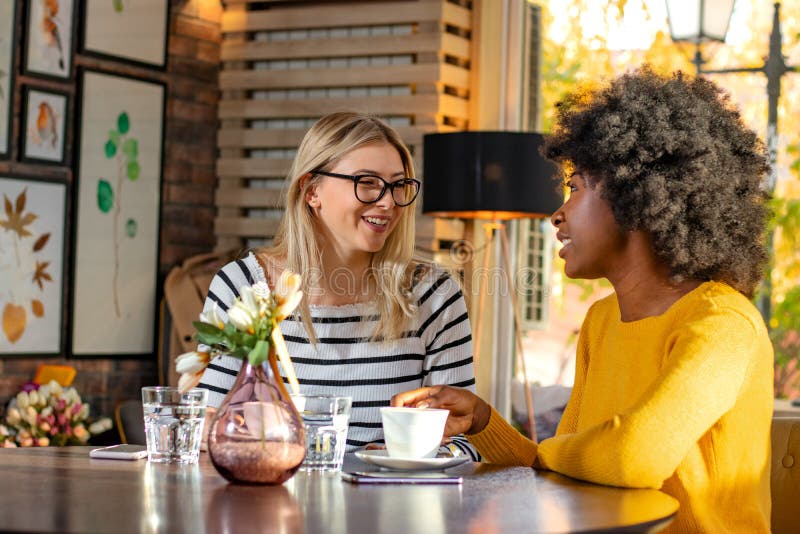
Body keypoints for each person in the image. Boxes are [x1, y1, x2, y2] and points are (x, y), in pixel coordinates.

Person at [392, 66, 773, 533]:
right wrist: (482, 420)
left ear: (636, 194)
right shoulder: (601, 320)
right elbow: (562, 467)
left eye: (574, 188)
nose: (557, 214)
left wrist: (550, 454)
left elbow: (633, 458)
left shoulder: (723, 324)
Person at [197, 111, 479, 458]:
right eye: (368, 182)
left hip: (391, 506)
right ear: (312, 190)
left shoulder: (434, 295)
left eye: (397, 185)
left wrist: (414, 457)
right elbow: (207, 429)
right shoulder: (244, 287)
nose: (388, 201)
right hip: (273, 504)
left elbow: (465, 442)